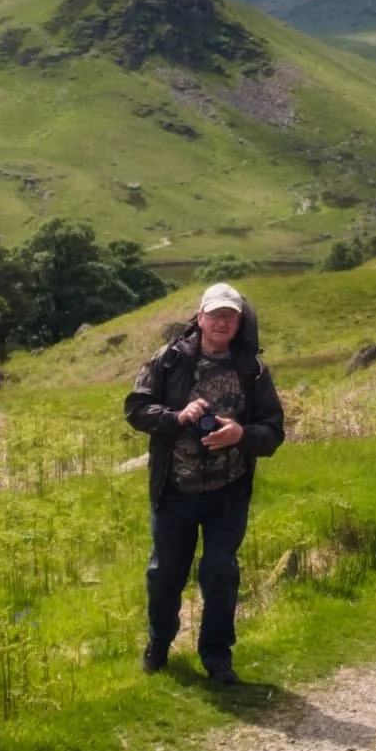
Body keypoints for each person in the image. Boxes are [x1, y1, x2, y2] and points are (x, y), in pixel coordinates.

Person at [124, 281, 286, 683]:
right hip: (173, 490)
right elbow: (136, 408)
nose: (222, 323)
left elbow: (273, 431)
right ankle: (159, 645)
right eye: (214, 315)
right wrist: (177, 417)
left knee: (219, 572)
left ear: (239, 322)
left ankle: (217, 657)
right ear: (199, 317)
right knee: (165, 574)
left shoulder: (253, 370)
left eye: (230, 317)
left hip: (228, 493)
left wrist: (240, 435)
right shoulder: (169, 360)